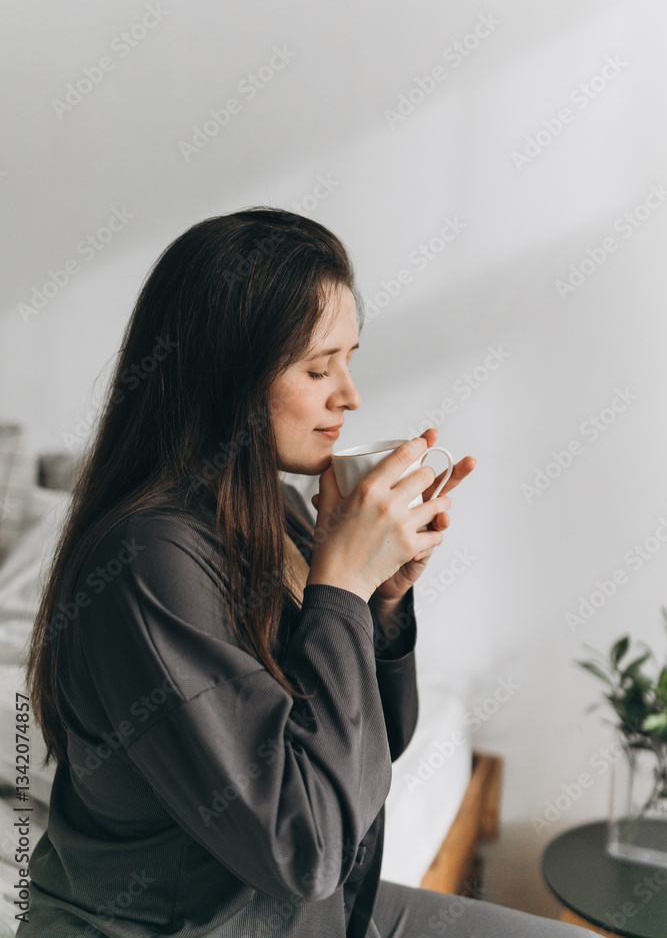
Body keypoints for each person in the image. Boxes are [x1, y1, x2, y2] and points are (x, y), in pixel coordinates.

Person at [20, 208, 589, 937]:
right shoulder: (147, 560)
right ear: (223, 377)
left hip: (312, 917)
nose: (348, 395)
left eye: (349, 360)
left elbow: (366, 754)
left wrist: (381, 603)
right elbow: (306, 848)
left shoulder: (282, 510)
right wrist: (340, 588)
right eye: (317, 369)